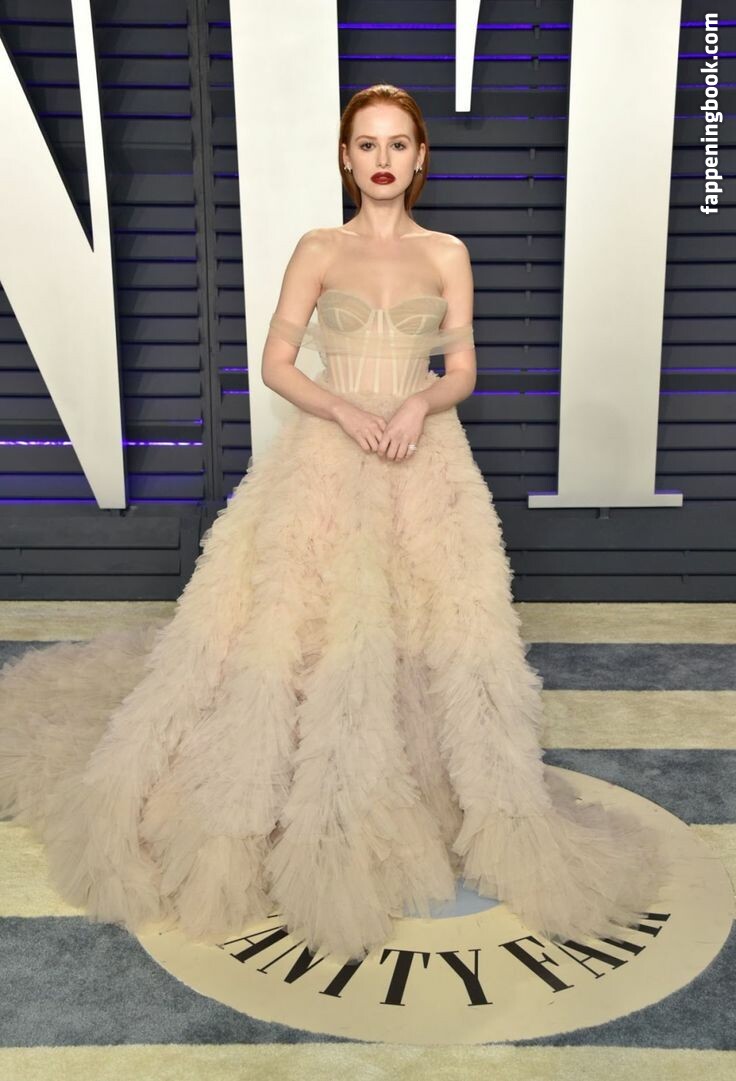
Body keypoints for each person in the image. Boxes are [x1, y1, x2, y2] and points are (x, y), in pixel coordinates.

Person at [0, 84, 669, 962]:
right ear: (347, 158)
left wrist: (418, 402)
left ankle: (442, 788)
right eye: (367, 144)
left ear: (420, 158)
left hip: (426, 457)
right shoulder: (319, 247)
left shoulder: (447, 252)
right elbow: (277, 363)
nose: (383, 159)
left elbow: (463, 368)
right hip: (326, 452)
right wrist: (348, 410)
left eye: (398, 144)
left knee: (443, 622)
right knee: (299, 621)